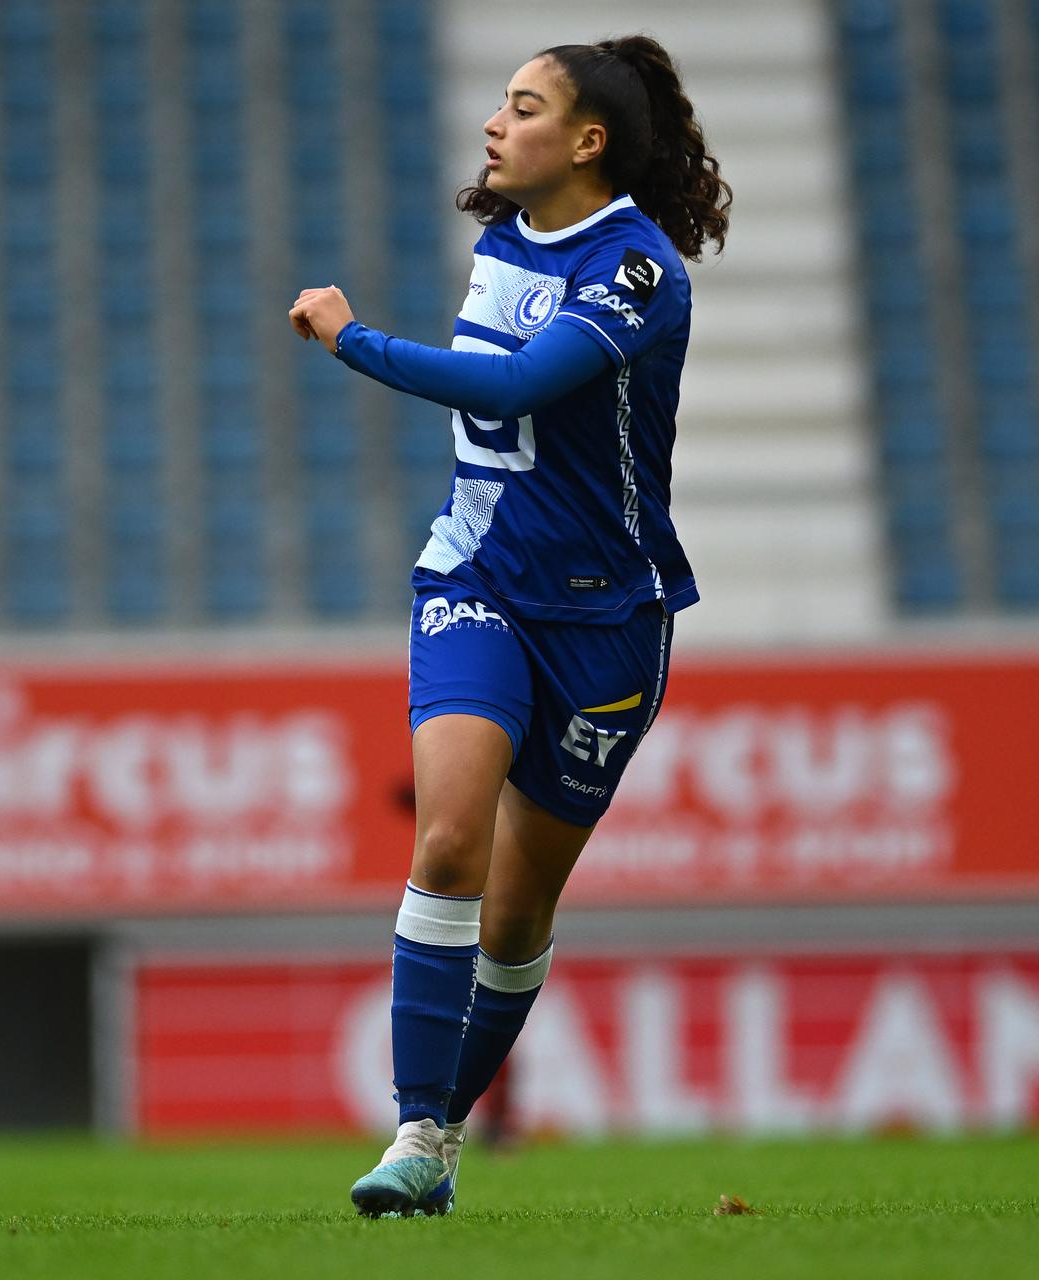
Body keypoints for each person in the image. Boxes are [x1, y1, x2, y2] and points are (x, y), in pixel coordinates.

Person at [288, 33, 729, 1218]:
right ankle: (416, 1131)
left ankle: (441, 1131)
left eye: (524, 106)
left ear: (587, 141)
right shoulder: (504, 238)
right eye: (500, 101)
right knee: (446, 842)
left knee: (519, 910)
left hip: (606, 618)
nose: (496, 122)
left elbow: (516, 388)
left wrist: (352, 338)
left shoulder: (638, 270)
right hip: (473, 577)